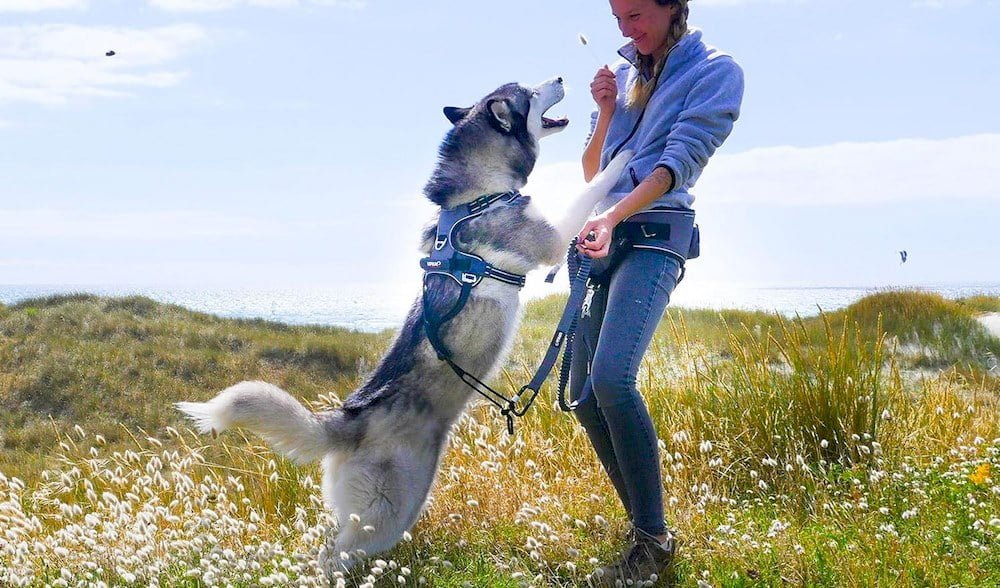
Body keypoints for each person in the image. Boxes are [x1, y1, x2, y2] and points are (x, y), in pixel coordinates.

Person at [571, 0, 744, 585]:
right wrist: (603, 110)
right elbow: (595, 170)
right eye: (618, 18)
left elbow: (677, 166)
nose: (626, 29)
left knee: (613, 380)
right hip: (605, 237)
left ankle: (652, 540)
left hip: (653, 237)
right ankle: (648, 528)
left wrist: (614, 217)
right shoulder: (622, 75)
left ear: (674, 6)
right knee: (582, 395)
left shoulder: (716, 70)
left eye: (637, 14)